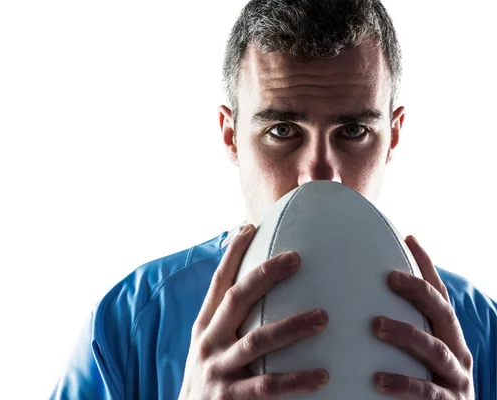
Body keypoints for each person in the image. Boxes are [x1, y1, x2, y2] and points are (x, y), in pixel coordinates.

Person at [50, 0, 497, 398]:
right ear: (231, 137)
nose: (320, 174)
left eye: (354, 132)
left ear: (393, 136)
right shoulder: (131, 324)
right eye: (282, 131)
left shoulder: (476, 331)